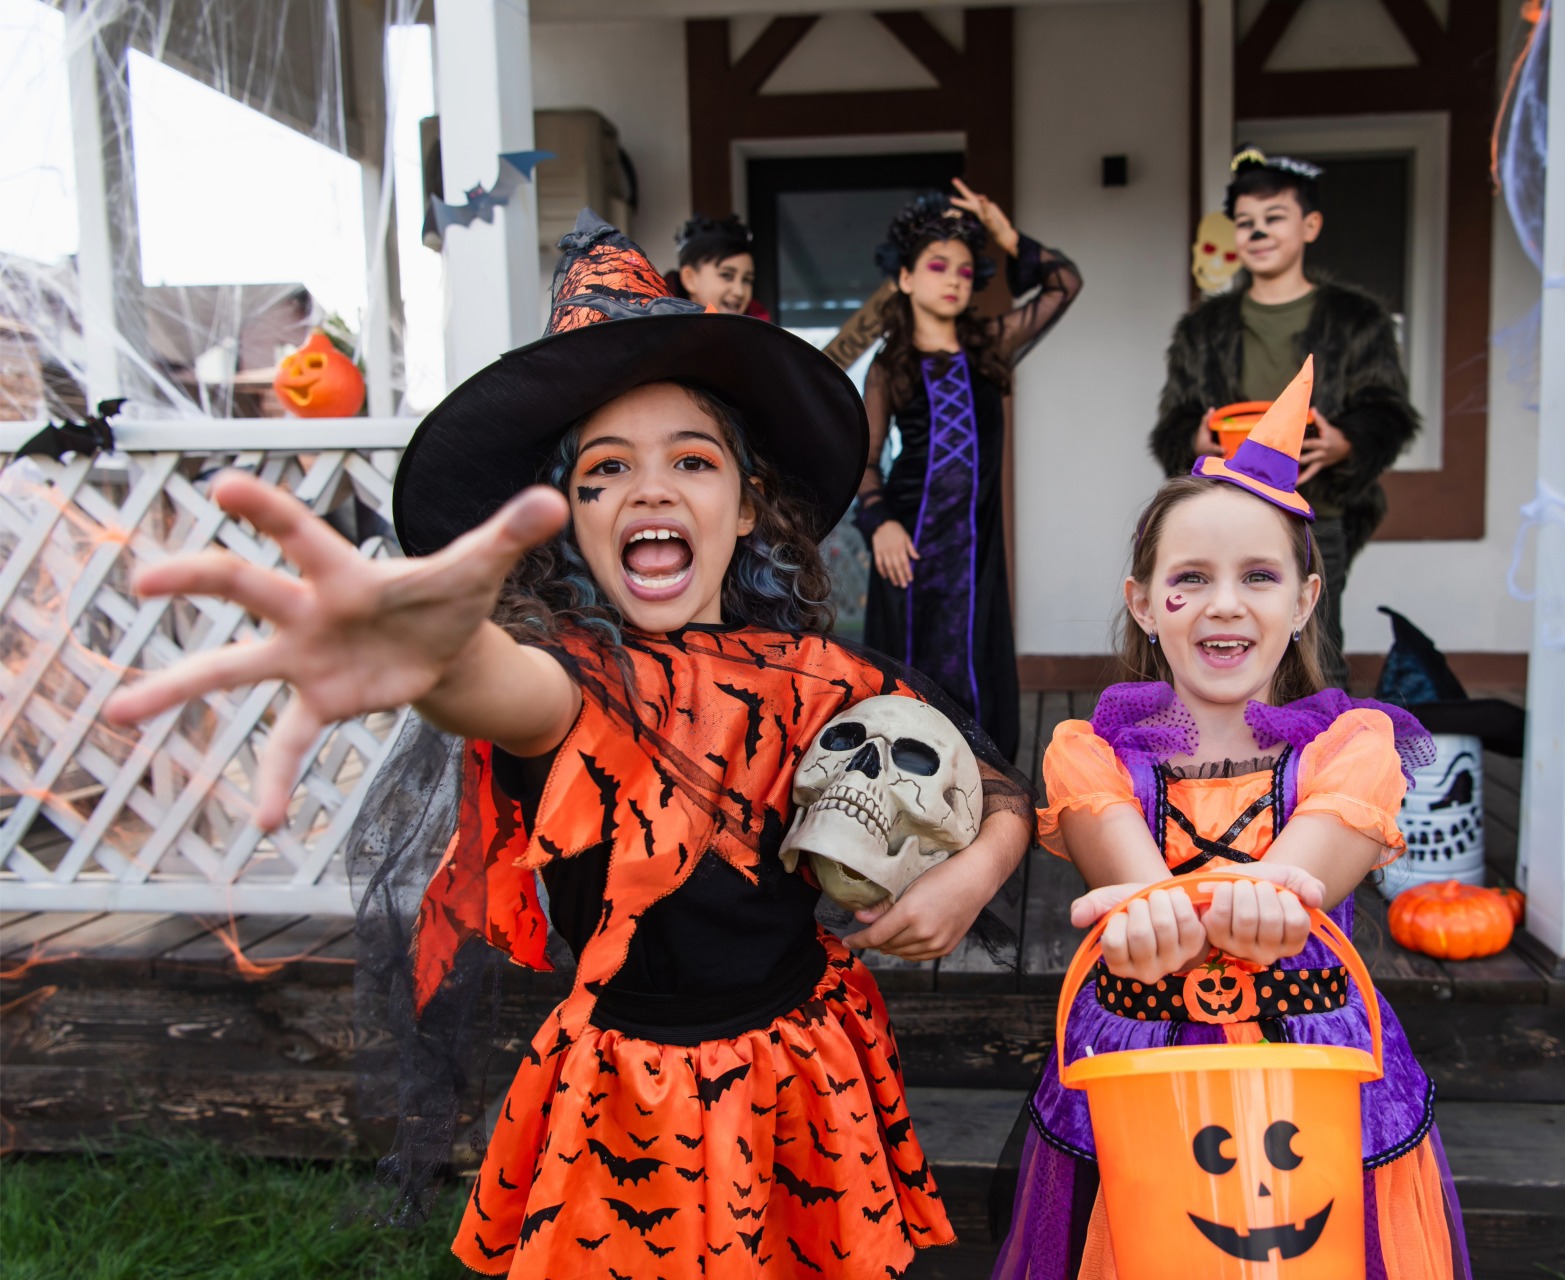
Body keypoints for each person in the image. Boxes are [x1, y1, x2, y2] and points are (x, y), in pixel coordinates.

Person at [104, 211, 1035, 1279]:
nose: (649, 490)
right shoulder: (575, 683)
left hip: (802, 1058)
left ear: (746, 511)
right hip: (634, 1096)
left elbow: (994, 779)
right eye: (602, 473)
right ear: (566, 527)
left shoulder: (819, 675)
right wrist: (432, 654)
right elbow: (506, 690)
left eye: (692, 460)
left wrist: (978, 868)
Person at [994, 362, 1467, 1279]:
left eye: (1259, 575)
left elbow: (1303, 876)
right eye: (1190, 577)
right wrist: (1146, 912)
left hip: (1310, 1085)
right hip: (1140, 1081)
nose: (1224, 602)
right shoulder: (1091, 757)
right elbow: (1138, 890)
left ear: (1303, 602)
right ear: (1143, 601)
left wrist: (1268, 898)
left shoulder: (1352, 747)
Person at [1149, 149, 1420, 690]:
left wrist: (1348, 442)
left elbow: (1388, 412)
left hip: (1321, 510)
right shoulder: (1204, 328)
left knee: (1316, 643)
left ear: (1310, 225)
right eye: (1245, 223)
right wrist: (1195, 438)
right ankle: (1235, 764)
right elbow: (1174, 421)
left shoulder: (1357, 321)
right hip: (1227, 512)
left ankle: (1321, 766)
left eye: (1273, 218)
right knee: (1227, 639)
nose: (1258, 232)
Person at [857, 180, 1081, 757]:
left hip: (974, 552)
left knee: (974, 667)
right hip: (908, 545)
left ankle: (981, 800)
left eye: (963, 269)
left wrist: (1007, 236)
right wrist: (880, 521)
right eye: (937, 266)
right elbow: (866, 457)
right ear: (905, 278)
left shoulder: (990, 346)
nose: (953, 278)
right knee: (910, 674)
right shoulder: (890, 366)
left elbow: (1064, 284)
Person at [665, 212, 770, 318]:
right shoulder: (658, 332)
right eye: (726, 275)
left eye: (747, 280)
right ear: (690, 278)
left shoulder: (762, 333)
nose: (739, 291)